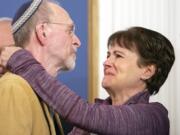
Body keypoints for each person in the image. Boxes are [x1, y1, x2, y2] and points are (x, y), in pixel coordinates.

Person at [1, 26, 175, 135]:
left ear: (147, 71)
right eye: (108, 55)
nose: (107, 62)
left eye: (118, 56)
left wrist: (21, 61)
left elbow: (82, 113)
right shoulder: (90, 120)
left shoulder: (153, 117)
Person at [0, 0, 80, 134]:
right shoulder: (13, 87)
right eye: (70, 30)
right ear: (43, 32)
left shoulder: (40, 94)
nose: (77, 42)